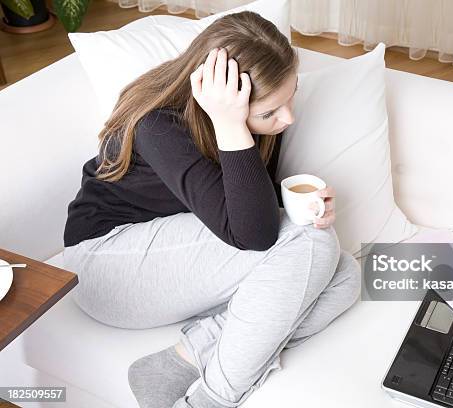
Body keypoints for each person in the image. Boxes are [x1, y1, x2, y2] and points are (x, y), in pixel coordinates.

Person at [62, 10, 361, 408]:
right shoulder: (159, 125)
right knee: (312, 245)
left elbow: (230, 197)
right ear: (225, 103)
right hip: (104, 264)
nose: (288, 119)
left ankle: (185, 358)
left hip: (178, 247)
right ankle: (212, 400)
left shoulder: (251, 124)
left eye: (290, 99)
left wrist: (297, 201)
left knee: (345, 276)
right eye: (269, 112)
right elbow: (255, 236)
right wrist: (230, 123)